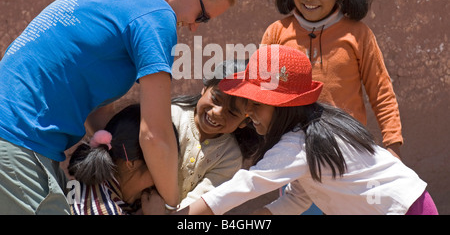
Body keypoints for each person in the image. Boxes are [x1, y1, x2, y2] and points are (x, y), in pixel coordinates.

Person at [0, 0, 250, 214]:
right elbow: (154, 134)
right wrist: (170, 205)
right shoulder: (156, 14)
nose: (195, 27)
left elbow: (93, 100)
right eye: (203, 16)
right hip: (18, 139)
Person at [143, 45, 438, 215]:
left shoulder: (298, 145)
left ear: (283, 107)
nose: (249, 113)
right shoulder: (313, 130)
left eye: (257, 105)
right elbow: (297, 198)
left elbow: (244, 185)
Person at [261, 0, 402, 159]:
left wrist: (393, 145)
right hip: (292, 147)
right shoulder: (277, 33)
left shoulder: (358, 34)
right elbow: (262, 90)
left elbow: (381, 91)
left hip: (346, 145)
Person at [171, 60, 262, 209]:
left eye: (232, 112)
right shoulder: (172, 117)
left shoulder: (230, 156)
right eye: (215, 99)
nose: (217, 112)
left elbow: (201, 201)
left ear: (244, 122)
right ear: (204, 88)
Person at [67, 104, 179, 215]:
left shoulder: (100, 183)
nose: (165, 179)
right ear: (131, 163)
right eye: (162, 169)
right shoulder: (103, 209)